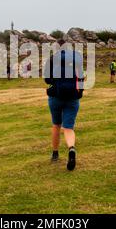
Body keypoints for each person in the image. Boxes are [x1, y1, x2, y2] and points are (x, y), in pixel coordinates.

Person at [44, 39, 84, 171]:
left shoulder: (52, 59)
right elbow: (81, 77)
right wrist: (80, 92)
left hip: (55, 96)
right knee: (68, 128)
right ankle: (71, 148)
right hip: (73, 98)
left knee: (56, 125)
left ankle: (55, 154)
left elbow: (47, 79)